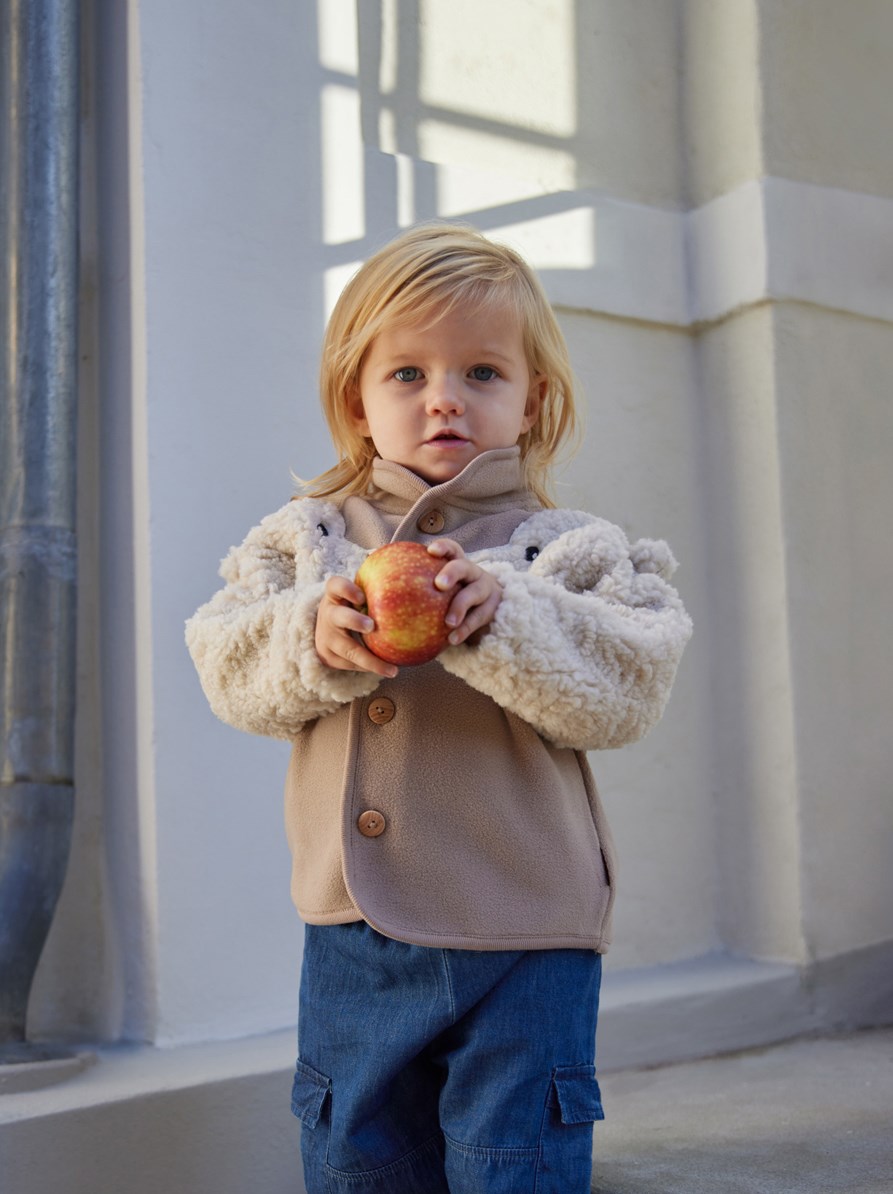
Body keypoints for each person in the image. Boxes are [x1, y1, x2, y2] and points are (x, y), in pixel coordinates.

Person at [185, 223, 692, 1194]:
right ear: (357, 400)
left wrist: (508, 618)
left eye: (482, 372)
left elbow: (630, 685)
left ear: (532, 399)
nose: (444, 397)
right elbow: (224, 662)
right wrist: (309, 636)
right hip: (354, 932)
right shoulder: (305, 546)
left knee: (517, 1165)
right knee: (359, 1161)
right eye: (407, 374)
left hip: (526, 929)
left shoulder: (568, 550)